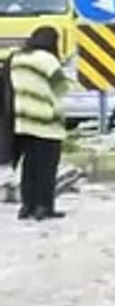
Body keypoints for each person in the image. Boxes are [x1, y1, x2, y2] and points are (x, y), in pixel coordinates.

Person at [10, 27, 69, 220]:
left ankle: (27, 206)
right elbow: (61, 88)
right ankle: (44, 206)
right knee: (46, 167)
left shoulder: (17, 59)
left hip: (23, 120)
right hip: (46, 122)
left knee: (29, 167)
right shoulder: (48, 60)